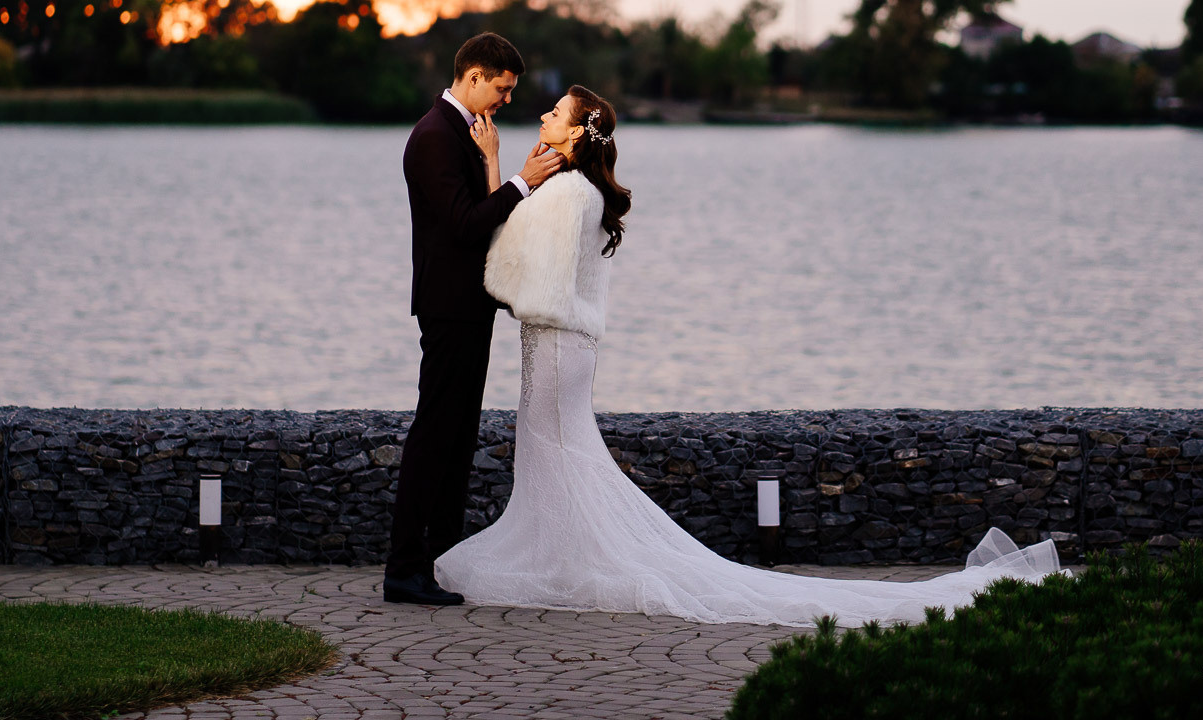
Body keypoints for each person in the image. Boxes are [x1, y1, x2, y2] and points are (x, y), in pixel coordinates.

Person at [433, 84, 1071, 627]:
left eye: (554, 113)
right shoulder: (578, 190)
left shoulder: (570, 194)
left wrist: (499, 171)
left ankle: (571, 566)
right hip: (567, 348)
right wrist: (515, 176)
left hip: (553, 347)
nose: (542, 116)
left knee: (554, 458)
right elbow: (518, 245)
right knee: (557, 462)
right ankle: (565, 559)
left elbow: (517, 266)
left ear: (575, 135)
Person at [384, 32, 564, 606]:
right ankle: (404, 570)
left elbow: (484, 224)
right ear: (476, 76)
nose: (507, 101)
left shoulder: (468, 132)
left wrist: (500, 171)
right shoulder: (433, 136)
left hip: (470, 306)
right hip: (447, 307)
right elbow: (465, 224)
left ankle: (443, 562)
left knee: (459, 440)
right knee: (435, 434)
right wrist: (522, 181)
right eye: (503, 90)